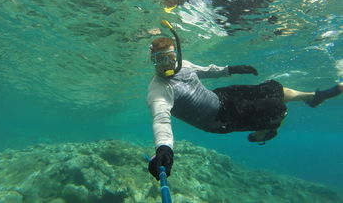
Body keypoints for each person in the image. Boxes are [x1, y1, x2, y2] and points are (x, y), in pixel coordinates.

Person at [146, 21, 343, 181]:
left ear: (177, 55)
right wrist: (164, 148)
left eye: (171, 57)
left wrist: (232, 69)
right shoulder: (159, 90)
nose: (168, 64)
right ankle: (263, 132)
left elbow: (205, 70)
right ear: (152, 60)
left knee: (273, 87)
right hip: (219, 119)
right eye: (160, 59)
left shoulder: (184, 65)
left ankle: (313, 98)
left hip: (220, 97)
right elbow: (160, 119)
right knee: (277, 108)